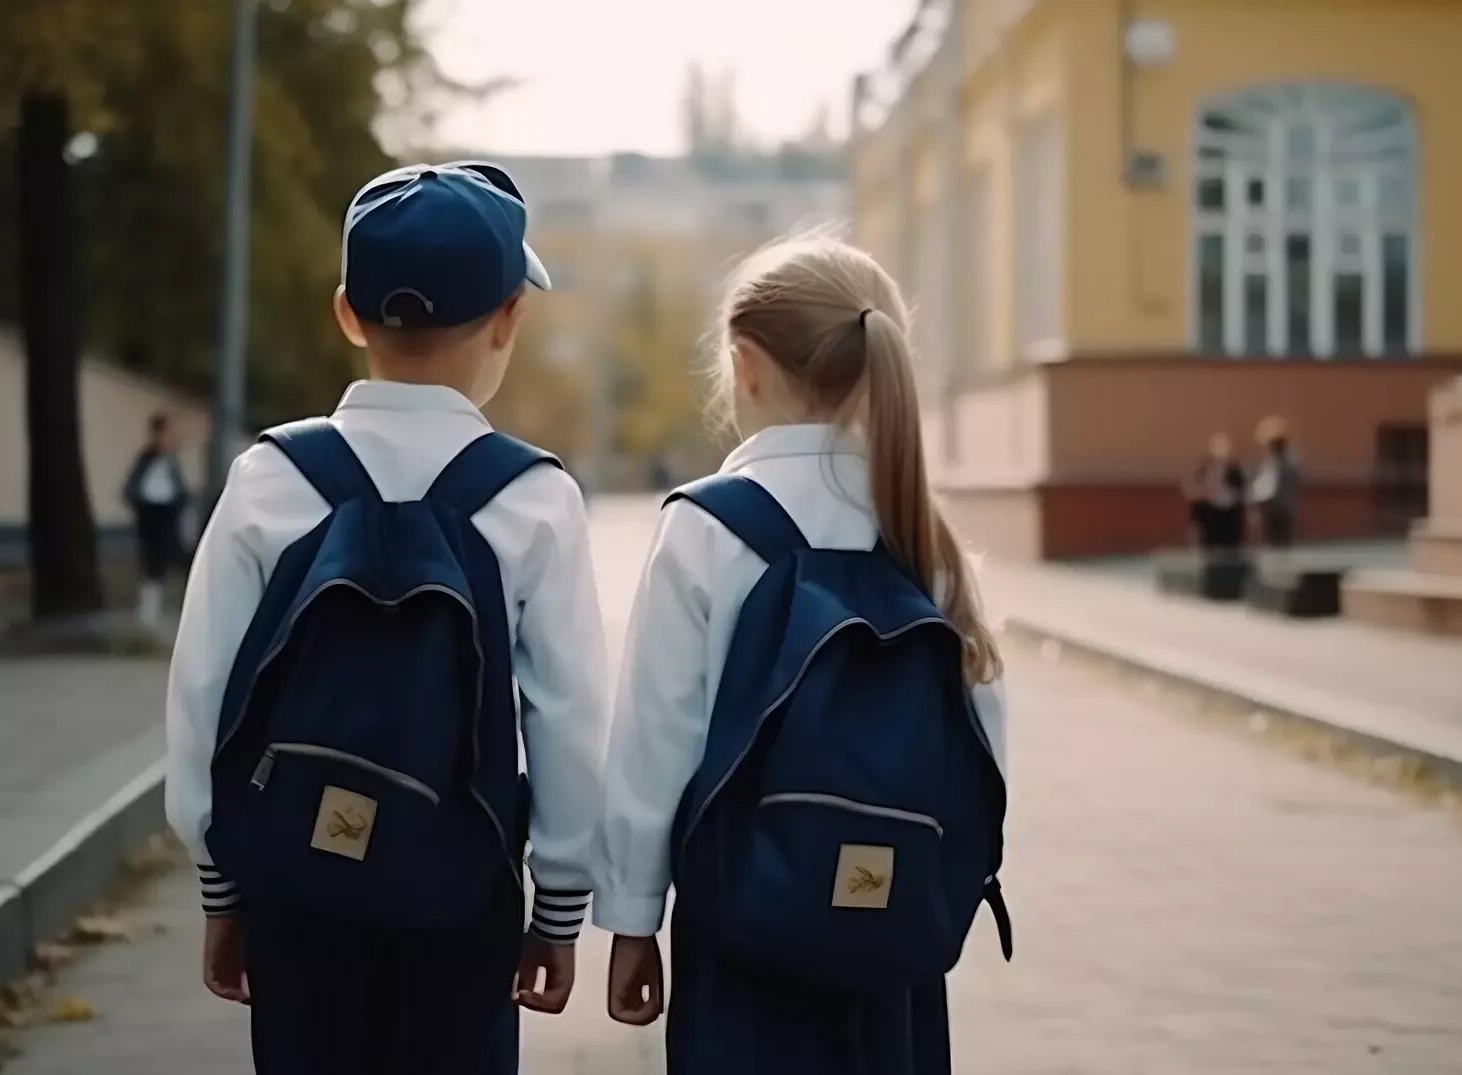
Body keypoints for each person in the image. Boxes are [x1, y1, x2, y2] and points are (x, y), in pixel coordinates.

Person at [164, 162, 608, 1075]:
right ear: (508, 320)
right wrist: (557, 907)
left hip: (294, 884)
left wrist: (223, 890)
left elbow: (204, 694)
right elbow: (569, 719)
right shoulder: (531, 499)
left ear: (346, 313)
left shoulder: (270, 478)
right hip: (460, 889)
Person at [595, 236, 1010, 1075]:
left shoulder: (707, 527)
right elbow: (982, 744)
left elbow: (655, 741)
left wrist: (633, 920)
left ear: (744, 366)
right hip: (892, 938)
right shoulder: (921, 533)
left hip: (740, 929)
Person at [123, 413, 191, 626]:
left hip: (169, 512)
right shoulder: (146, 458)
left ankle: (183, 607)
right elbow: (132, 487)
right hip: (150, 512)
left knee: (174, 556)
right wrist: (139, 505)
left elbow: (180, 488)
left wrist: (182, 502)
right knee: (151, 558)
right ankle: (148, 610)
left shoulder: (172, 461)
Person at [1183, 432, 1246, 551]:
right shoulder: (1205, 468)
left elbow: (1240, 491)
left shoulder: (1234, 470)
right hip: (1211, 512)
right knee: (1212, 547)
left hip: (1230, 513)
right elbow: (1196, 489)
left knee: (1230, 547)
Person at [1252, 416, 1300, 550]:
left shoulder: (1283, 463)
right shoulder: (1272, 462)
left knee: (1279, 544)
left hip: (1279, 509)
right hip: (1276, 509)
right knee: (1274, 544)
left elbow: (1272, 487)